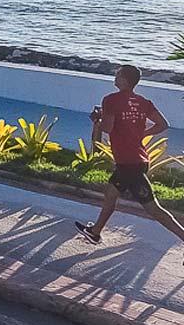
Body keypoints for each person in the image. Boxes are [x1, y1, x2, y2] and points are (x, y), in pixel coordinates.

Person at [75, 64, 184, 251]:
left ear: (125, 79)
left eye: (118, 75)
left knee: (153, 208)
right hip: (138, 160)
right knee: (111, 194)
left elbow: (108, 128)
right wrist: (143, 134)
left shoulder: (110, 100)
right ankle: (95, 232)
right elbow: (163, 124)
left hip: (128, 163)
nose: (115, 77)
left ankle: (95, 232)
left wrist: (97, 120)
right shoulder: (143, 102)